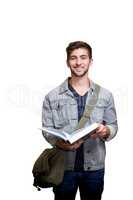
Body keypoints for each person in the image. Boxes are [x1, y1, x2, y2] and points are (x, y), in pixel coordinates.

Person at [42, 41, 118, 200]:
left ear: (90, 61)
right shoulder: (52, 96)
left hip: (95, 168)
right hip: (63, 167)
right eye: (73, 58)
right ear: (67, 62)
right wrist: (58, 143)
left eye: (83, 57)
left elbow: (113, 125)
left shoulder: (105, 95)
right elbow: (47, 129)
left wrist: (107, 131)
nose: (78, 62)